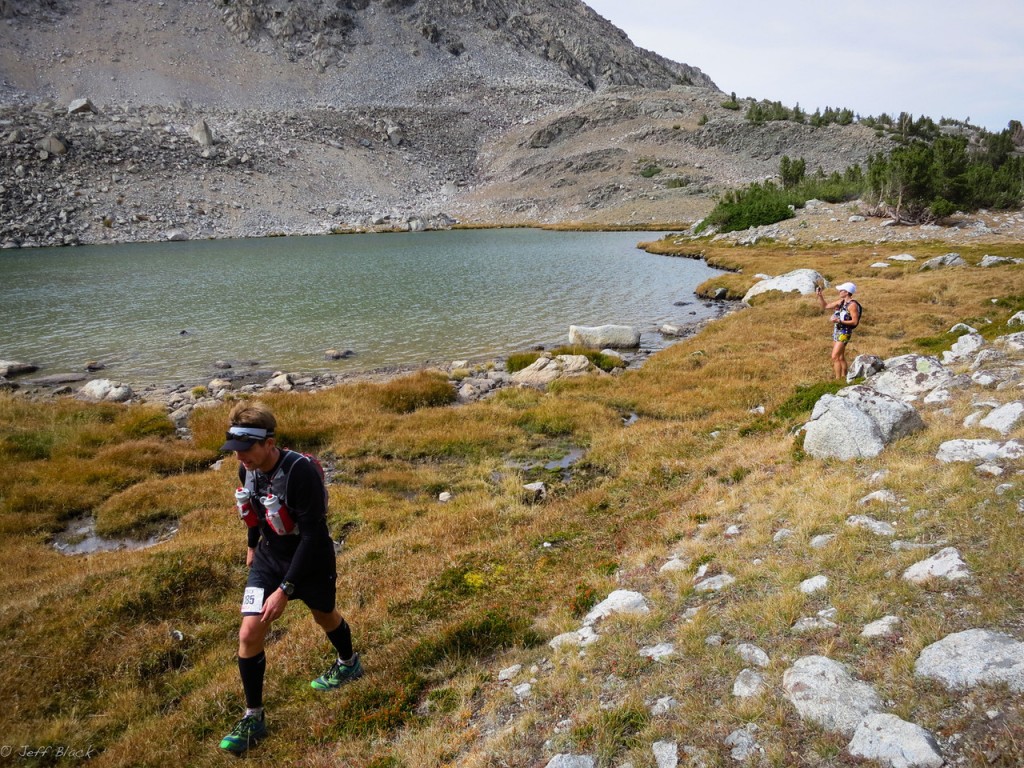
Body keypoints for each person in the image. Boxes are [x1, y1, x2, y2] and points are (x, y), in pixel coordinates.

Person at [217, 401, 362, 755]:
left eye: (246, 450)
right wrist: (253, 547)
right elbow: (254, 514)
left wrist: (285, 590)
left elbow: (312, 535)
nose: (240, 459)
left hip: (309, 559)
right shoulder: (246, 469)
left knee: (324, 614)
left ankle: (348, 664)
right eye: (235, 452)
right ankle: (254, 716)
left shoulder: (301, 473)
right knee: (249, 631)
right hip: (269, 558)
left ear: (270, 442)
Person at [816, 281, 861, 380]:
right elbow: (826, 306)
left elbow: (854, 322)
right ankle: (844, 378)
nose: (840, 292)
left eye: (842, 290)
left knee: (834, 356)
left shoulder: (852, 305)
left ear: (847, 292)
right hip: (837, 331)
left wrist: (839, 320)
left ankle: (837, 379)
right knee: (840, 357)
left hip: (844, 332)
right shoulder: (841, 302)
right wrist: (820, 296)